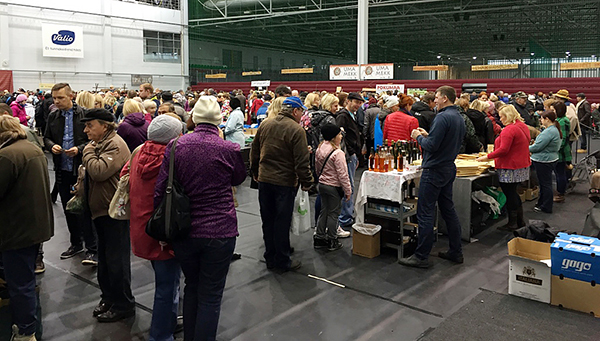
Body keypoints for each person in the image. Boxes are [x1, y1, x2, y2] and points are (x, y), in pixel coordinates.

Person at [155, 96, 245, 340]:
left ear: (193, 118)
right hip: (221, 230)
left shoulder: (175, 146)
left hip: (185, 230)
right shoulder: (229, 148)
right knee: (211, 295)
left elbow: (161, 189)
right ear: (219, 121)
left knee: (192, 288)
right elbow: (238, 179)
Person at [122, 115, 182, 341]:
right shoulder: (173, 157)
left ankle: (167, 323)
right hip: (164, 230)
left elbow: (124, 176)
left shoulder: (138, 152)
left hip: (141, 227)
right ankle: (161, 334)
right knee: (168, 286)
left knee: (165, 281)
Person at [399, 86, 465, 268]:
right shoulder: (458, 117)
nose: (434, 100)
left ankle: (421, 256)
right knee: (448, 210)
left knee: (425, 212)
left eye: (436, 97)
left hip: (434, 170)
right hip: (448, 168)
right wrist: (428, 135)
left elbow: (433, 146)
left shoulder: (442, 117)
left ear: (444, 98)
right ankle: (455, 251)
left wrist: (418, 137)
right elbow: (445, 141)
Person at [0, 115, 53, 341]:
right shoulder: (31, 148)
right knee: (26, 280)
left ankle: (25, 331)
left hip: (15, 228)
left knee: (20, 284)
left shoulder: (6, 155)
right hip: (33, 224)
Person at [81, 108, 135, 322]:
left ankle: (124, 304)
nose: (86, 130)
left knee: (117, 260)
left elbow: (98, 171)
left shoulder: (115, 144)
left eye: (89, 125)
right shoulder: (100, 144)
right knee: (105, 259)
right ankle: (109, 297)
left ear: (104, 125)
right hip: (101, 211)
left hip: (114, 212)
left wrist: (87, 151)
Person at [250, 96, 313, 271]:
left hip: (264, 180)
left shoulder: (266, 124)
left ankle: (270, 255)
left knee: (267, 220)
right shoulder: (296, 130)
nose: (302, 115)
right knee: (281, 221)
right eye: (301, 111)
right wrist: (308, 182)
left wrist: (255, 172)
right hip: (284, 182)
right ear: (295, 111)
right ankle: (283, 260)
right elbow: (301, 162)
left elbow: (254, 152)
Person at [44, 83, 97, 263]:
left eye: (60, 97)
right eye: (54, 98)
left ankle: (92, 248)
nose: (56, 101)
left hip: (82, 170)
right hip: (62, 169)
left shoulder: (84, 115)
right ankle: (76, 243)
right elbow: (46, 137)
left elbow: (94, 140)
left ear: (71, 96)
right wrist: (52, 146)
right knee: (68, 208)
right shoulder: (53, 116)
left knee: (85, 209)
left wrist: (79, 149)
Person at [476, 105, 531, 231]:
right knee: (513, 193)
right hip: (520, 165)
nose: (500, 119)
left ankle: (513, 223)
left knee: (510, 194)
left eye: (502, 116)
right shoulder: (522, 126)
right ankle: (519, 221)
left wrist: (487, 157)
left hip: (509, 166)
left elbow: (504, 150)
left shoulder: (509, 130)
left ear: (508, 115)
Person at [313, 123, 352, 251]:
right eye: (339, 134)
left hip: (323, 184)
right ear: (334, 137)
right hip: (334, 186)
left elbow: (317, 168)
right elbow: (343, 174)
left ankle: (319, 237)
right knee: (334, 214)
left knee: (324, 211)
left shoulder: (320, 148)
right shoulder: (338, 153)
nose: (341, 136)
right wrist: (348, 190)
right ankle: (332, 239)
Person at [335, 92, 363, 234]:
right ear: (348, 101)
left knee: (350, 184)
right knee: (348, 185)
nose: (358, 105)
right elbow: (340, 137)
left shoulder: (353, 115)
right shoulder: (343, 116)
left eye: (360, 103)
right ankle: (345, 217)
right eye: (356, 102)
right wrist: (351, 152)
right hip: (348, 155)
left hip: (352, 155)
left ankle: (346, 214)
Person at [529, 110, 562, 214]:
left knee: (545, 184)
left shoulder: (549, 132)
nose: (540, 120)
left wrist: (526, 148)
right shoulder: (554, 130)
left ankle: (546, 206)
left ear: (547, 119)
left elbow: (537, 147)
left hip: (543, 160)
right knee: (545, 184)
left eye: (542, 118)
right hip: (549, 159)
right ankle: (542, 203)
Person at [552, 101, 570, 203]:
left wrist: (555, 148)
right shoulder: (562, 120)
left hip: (560, 152)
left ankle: (560, 193)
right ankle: (560, 191)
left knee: (560, 173)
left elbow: (561, 139)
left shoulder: (561, 122)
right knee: (560, 173)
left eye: (554, 110)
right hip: (562, 151)